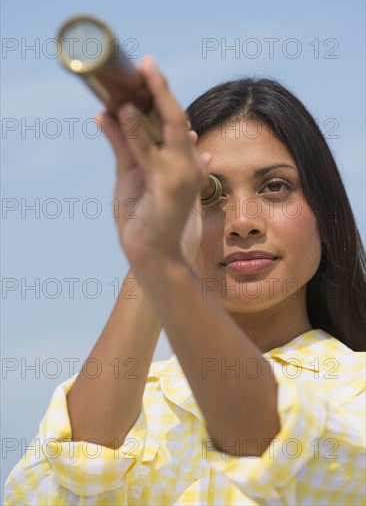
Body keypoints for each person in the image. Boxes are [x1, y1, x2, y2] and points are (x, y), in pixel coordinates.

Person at [4, 55, 366, 505]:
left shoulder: (355, 387)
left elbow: (291, 463)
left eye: (274, 186)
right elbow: (60, 491)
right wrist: (152, 253)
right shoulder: (126, 397)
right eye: (207, 193)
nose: (243, 222)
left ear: (324, 211)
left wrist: (165, 267)